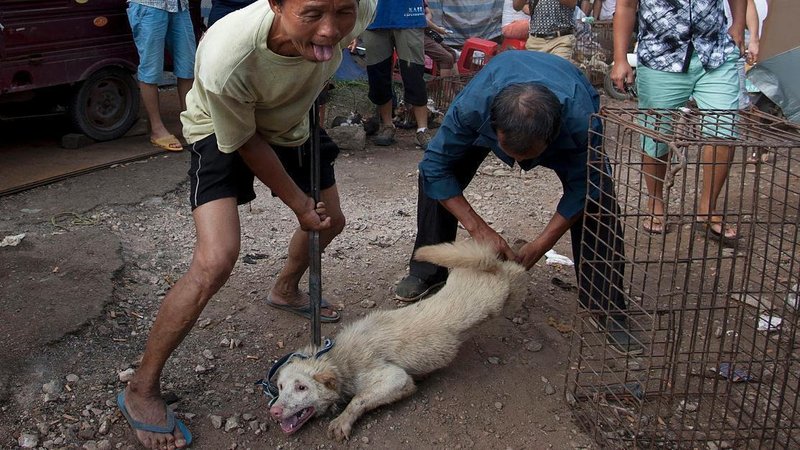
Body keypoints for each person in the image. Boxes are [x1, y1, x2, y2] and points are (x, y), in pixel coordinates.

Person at [116, 0, 376, 448]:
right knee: (215, 260)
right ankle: (141, 388)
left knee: (330, 223)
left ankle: (285, 289)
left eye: (343, 15)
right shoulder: (227, 55)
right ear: (275, 4)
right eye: (312, 15)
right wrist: (297, 203)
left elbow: (338, 25)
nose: (331, 31)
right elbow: (247, 142)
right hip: (222, 129)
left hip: (292, 123)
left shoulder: (358, 7)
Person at [393, 50, 643, 356]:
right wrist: (478, 229)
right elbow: (435, 165)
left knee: (599, 199)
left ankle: (606, 303)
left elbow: (585, 186)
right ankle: (427, 273)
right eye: (509, 152)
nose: (516, 163)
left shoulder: (581, 121)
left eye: (526, 156)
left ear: (551, 139)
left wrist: (541, 244)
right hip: (498, 87)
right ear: (494, 127)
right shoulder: (474, 107)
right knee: (435, 177)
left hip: (566, 95)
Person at [611, 0, 745, 240]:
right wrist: (620, 58)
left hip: (715, 53)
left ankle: (708, 210)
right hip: (660, 56)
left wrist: (738, 24)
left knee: (723, 129)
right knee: (656, 135)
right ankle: (655, 202)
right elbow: (626, 6)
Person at [126, 0, 197, 152]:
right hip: (148, 6)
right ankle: (157, 128)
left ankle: (190, 123)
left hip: (179, 6)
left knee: (188, 67)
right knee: (151, 69)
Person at [363, 0, 433, 150]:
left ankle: (422, 129)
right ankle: (387, 125)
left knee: (414, 73)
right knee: (378, 74)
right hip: (373, 17)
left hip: (408, 14)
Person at [513, 0, 578, 61]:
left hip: (561, 40)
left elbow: (572, 3)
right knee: (535, 72)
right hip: (535, 42)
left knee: (558, 71)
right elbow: (516, 6)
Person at [423, 0, 457, 77]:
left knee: (452, 53)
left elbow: (428, 13)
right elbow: (423, 18)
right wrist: (438, 29)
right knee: (446, 58)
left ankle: (456, 85)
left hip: (427, 31)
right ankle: (446, 88)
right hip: (416, 33)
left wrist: (427, 20)